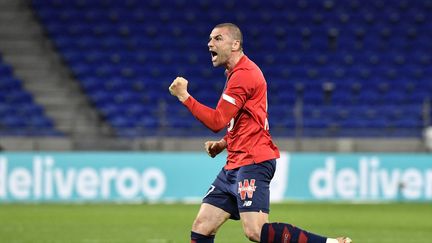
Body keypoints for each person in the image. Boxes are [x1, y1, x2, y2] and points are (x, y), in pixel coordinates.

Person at [169, 23, 352, 243]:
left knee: (255, 231)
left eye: (217, 38)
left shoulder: (244, 75)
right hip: (235, 163)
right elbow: (249, 121)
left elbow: (217, 120)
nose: (210, 43)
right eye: (210, 39)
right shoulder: (236, 72)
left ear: (235, 44)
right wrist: (224, 143)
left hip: (253, 161)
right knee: (202, 226)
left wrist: (184, 97)